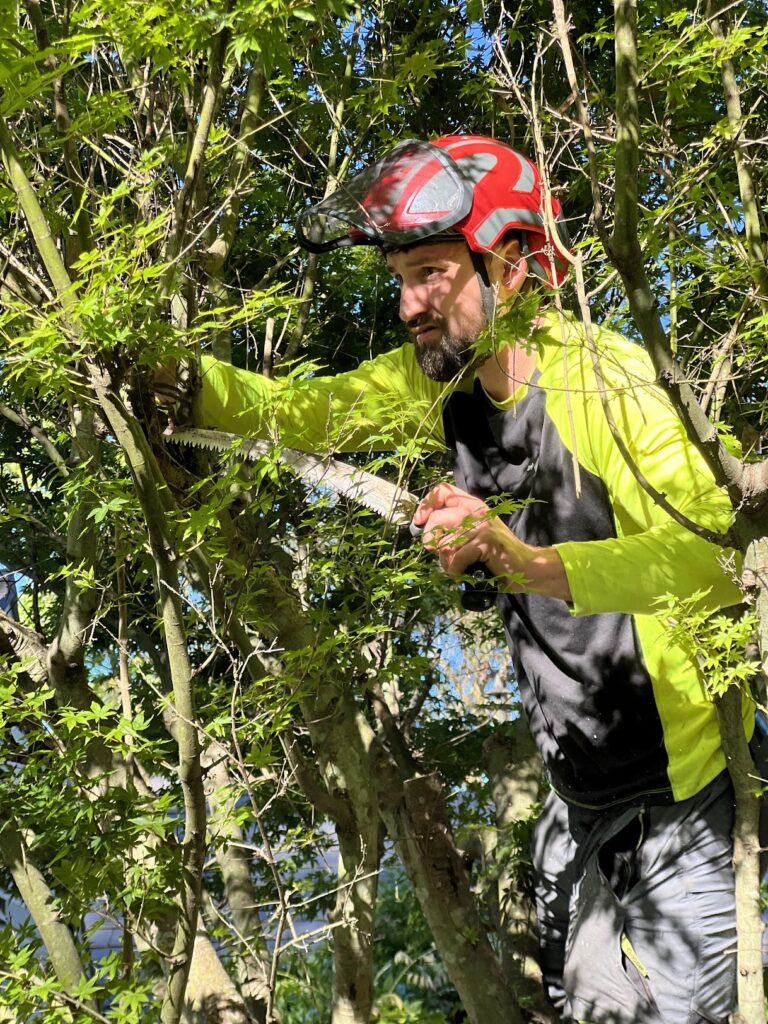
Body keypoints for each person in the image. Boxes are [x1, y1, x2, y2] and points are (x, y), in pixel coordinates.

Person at [182, 135, 759, 1023]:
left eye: (432, 274)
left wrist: (525, 559)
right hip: (576, 798)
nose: (409, 305)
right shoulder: (441, 384)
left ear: (515, 265)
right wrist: (173, 376)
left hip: (681, 804)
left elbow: (718, 557)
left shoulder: (610, 383)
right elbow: (302, 412)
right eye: (399, 278)